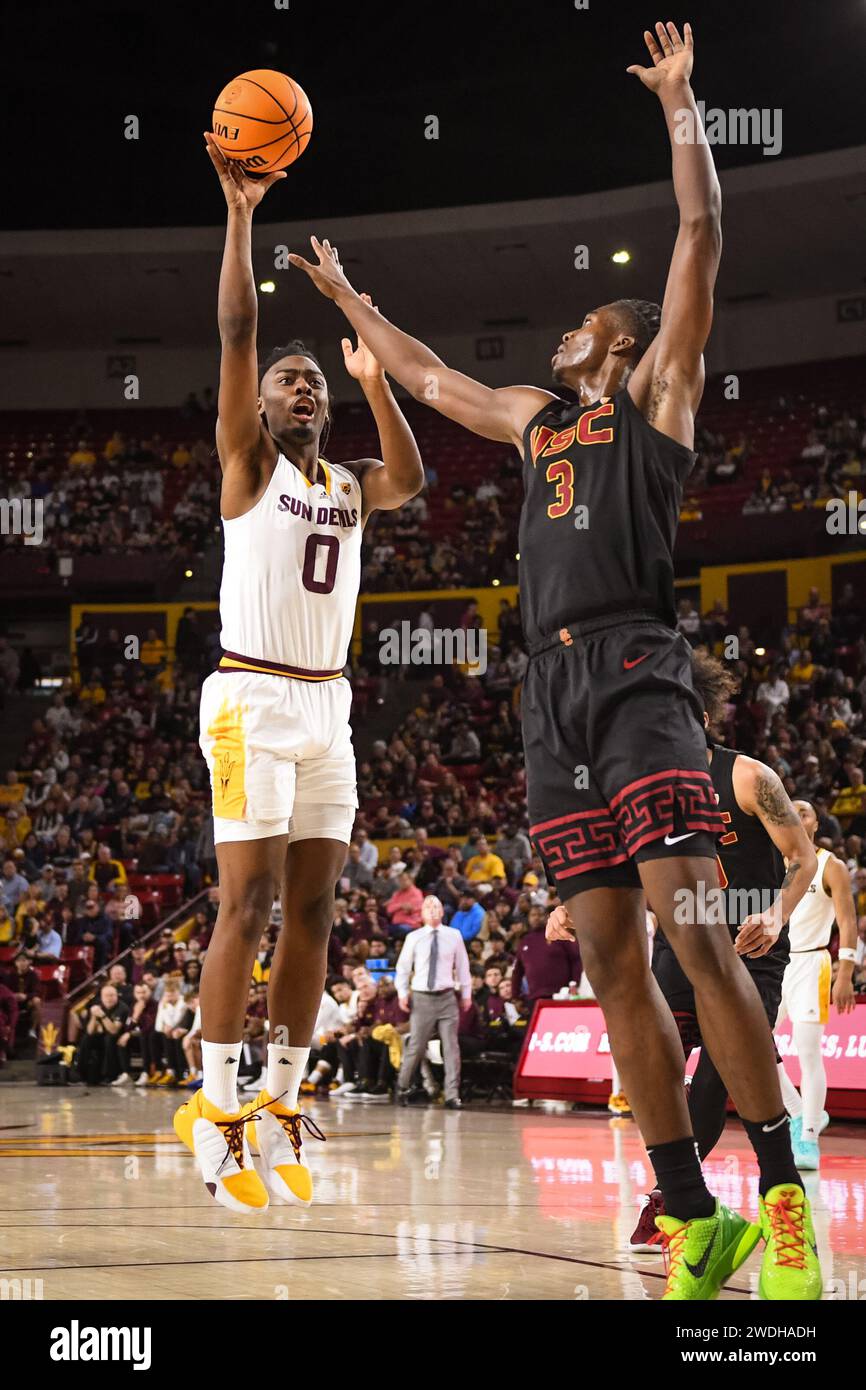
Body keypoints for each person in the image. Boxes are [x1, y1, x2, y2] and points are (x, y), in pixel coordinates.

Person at [289, 20, 819, 1300]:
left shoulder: (658, 401)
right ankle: (695, 1215)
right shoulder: (537, 423)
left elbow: (699, 240)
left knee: (693, 938)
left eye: (583, 325)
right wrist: (348, 298)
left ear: (624, 345)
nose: (562, 337)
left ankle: (787, 1198)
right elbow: (424, 375)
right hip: (550, 697)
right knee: (610, 956)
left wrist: (681, 104)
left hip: (638, 674)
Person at [173, 132, 425, 1216]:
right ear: (262, 407)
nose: (299, 386)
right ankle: (214, 1103)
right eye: (290, 379)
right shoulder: (246, 464)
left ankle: (281, 1097)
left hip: (328, 705)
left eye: (312, 379)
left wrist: (375, 382)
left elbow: (410, 480)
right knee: (249, 902)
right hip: (249, 697)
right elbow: (238, 327)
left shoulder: (350, 481)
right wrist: (238, 216)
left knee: (317, 909)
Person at [628, 652, 817, 1253]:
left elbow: (804, 857)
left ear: (700, 715)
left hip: (752, 945)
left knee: (717, 1079)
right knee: (658, 1068)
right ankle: (682, 1196)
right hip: (683, 943)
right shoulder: (647, 787)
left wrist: (777, 910)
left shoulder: (747, 776)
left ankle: (681, 1200)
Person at [775, 800, 859, 1169]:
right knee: (755, 1043)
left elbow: (849, 921)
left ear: (814, 823)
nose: (796, 814)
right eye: (790, 809)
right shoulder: (771, 863)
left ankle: (808, 1136)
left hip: (813, 961)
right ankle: (799, 1112)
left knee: (808, 1052)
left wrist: (845, 973)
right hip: (774, 964)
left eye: (804, 811)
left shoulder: (831, 865)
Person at [395, 894, 471, 1108]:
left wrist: (466, 994)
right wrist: (402, 993)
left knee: (451, 1047)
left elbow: (463, 966)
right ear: (421, 913)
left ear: (442, 910)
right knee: (417, 1046)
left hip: (447, 995)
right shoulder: (414, 937)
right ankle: (402, 1086)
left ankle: (452, 1094)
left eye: (436, 905)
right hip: (422, 997)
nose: (433, 909)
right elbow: (403, 967)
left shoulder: (454, 935)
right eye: (428, 906)